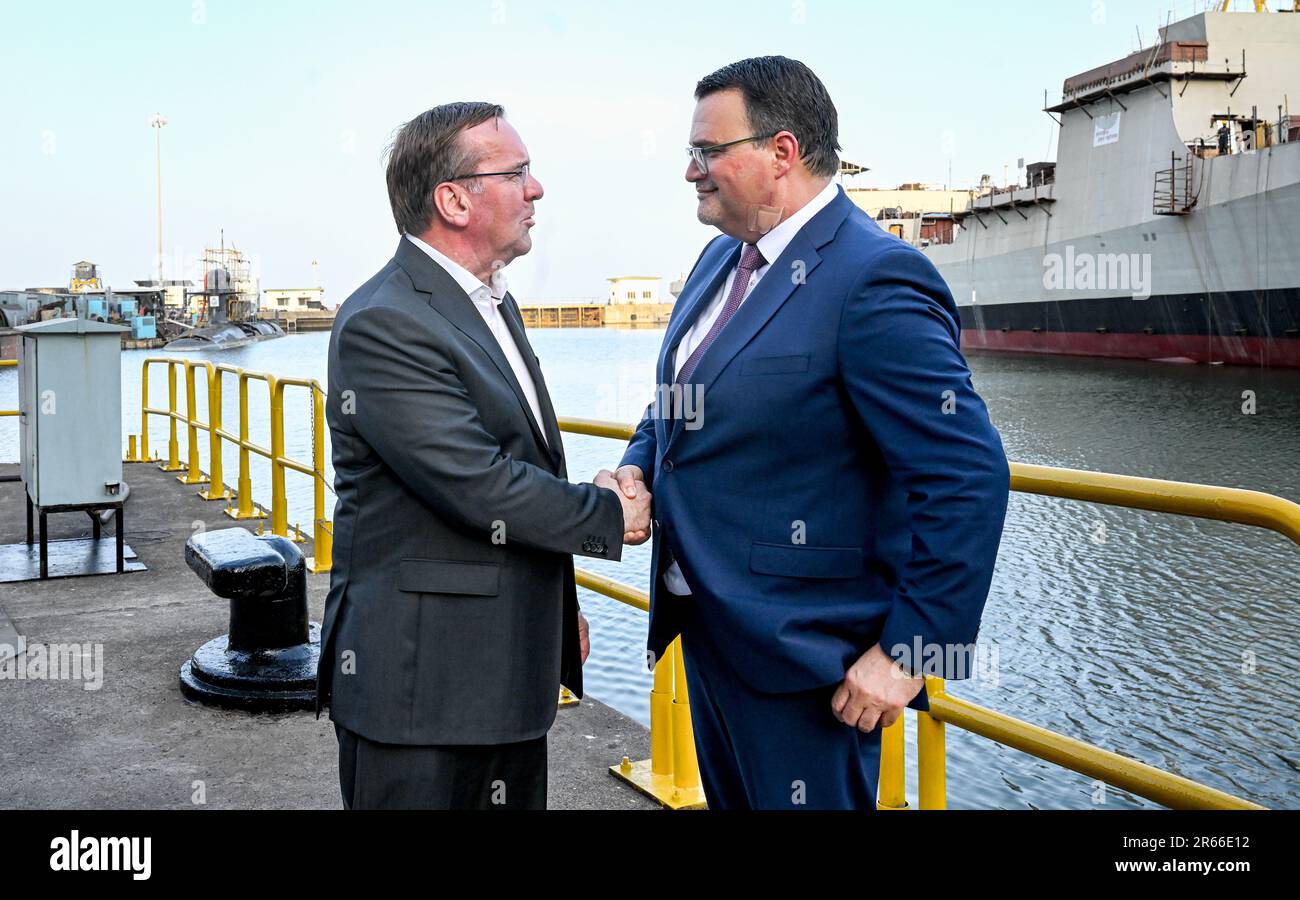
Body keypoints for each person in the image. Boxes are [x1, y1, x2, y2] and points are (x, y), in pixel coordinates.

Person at [607, 57, 1009, 810]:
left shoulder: (873, 277)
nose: (691, 172)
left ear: (781, 153)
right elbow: (674, 406)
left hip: (808, 663)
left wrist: (909, 654)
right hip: (711, 635)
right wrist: (637, 467)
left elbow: (968, 476)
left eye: (707, 152)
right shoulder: (718, 258)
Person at [316, 102, 651, 810]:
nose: (536, 190)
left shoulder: (489, 303)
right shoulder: (386, 321)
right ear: (454, 199)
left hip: (502, 680)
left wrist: (559, 608)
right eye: (518, 172)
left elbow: (517, 460)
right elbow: (478, 485)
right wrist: (608, 513)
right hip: (423, 697)